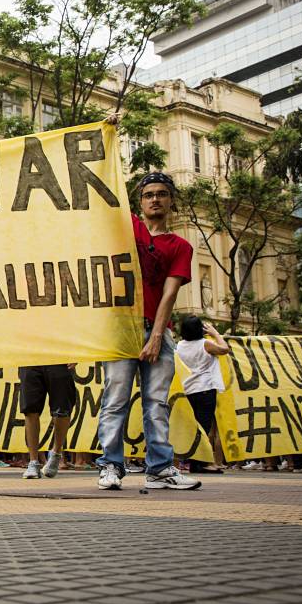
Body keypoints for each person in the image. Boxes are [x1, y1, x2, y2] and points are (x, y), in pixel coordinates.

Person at [95, 172, 199, 490]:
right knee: (115, 399)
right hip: (121, 327)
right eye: (149, 194)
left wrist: (156, 336)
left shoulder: (180, 246)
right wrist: (108, 129)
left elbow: (169, 294)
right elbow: (100, 194)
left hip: (158, 331)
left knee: (157, 402)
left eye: (162, 194)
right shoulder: (129, 227)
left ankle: (160, 468)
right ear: (140, 202)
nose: (155, 199)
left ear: (171, 201)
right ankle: (110, 466)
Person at [176, 316, 230, 474]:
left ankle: (195, 462)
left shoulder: (180, 345)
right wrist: (215, 333)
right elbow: (224, 349)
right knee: (204, 428)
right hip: (205, 389)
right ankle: (200, 463)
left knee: (194, 427)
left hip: (188, 389)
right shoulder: (205, 344)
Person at [19, 364, 77, 479]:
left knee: (62, 410)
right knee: (30, 410)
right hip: (30, 359)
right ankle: (33, 461)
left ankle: (56, 453)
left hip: (59, 358)